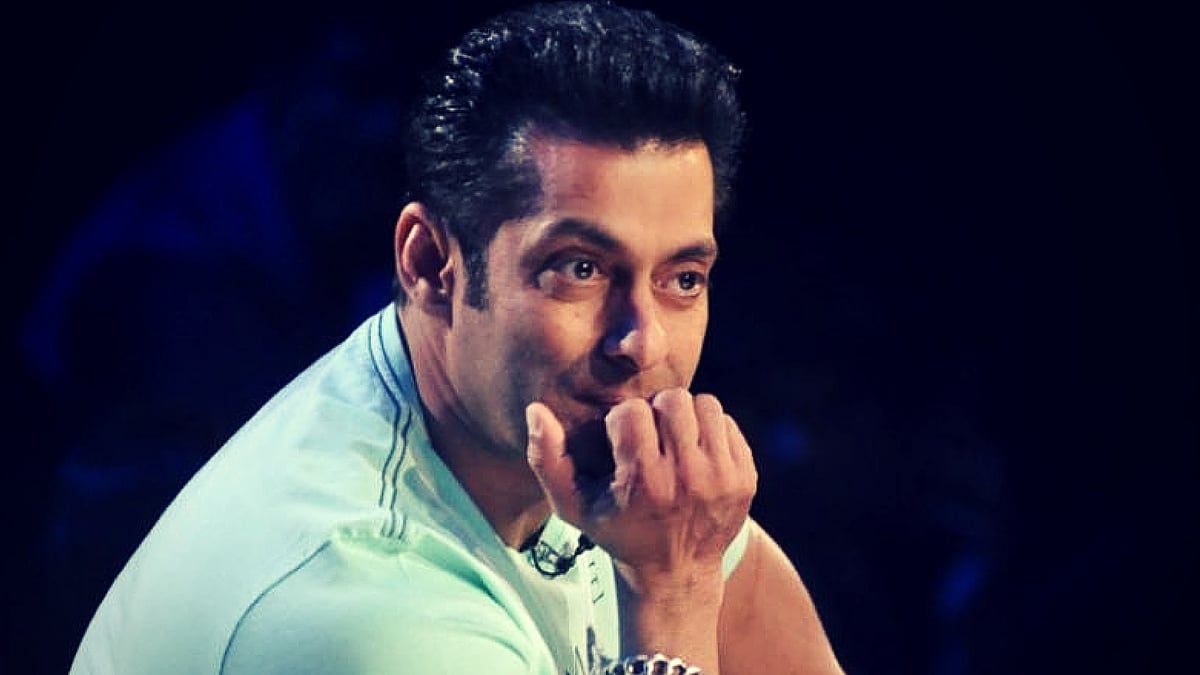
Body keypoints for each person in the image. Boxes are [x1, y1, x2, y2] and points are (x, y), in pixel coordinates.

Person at [70, 3, 843, 673]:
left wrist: (681, 565)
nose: (641, 342)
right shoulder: (366, 609)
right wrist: (672, 596)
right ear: (430, 264)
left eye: (683, 278)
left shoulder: (588, 453)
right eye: (579, 268)